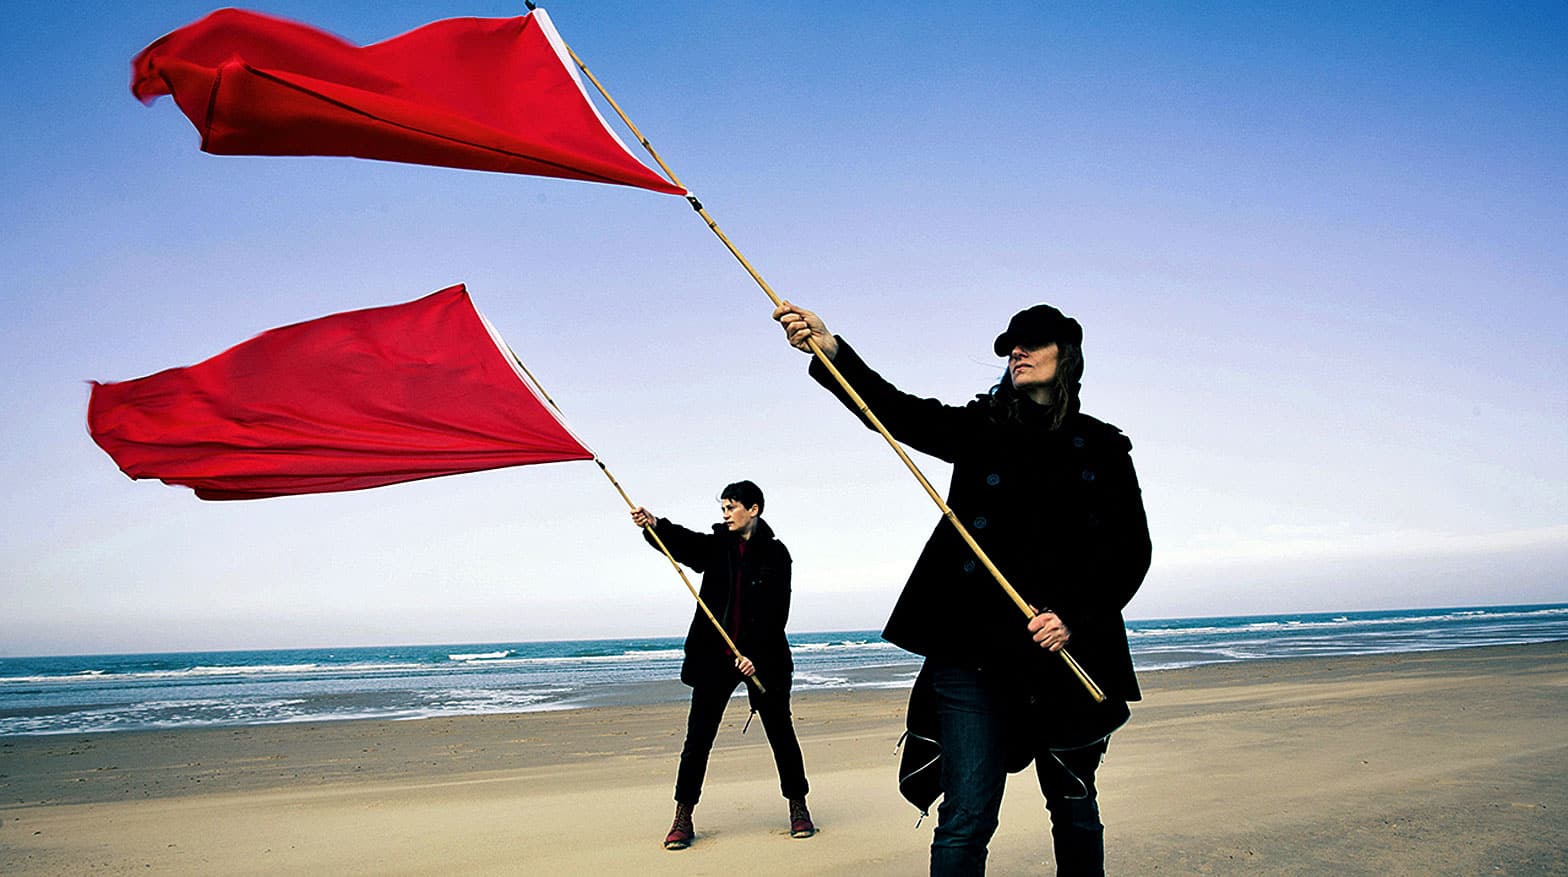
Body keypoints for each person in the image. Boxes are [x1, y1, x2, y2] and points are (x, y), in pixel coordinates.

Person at [773, 302, 1151, 876]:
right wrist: (832, 351)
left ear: (1066, 354)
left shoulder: (1102, 447)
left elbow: (1131, 551)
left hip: (1066, 654)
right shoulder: (981, 429)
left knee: (1073, 807)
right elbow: (895, 412)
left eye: (1029, 342)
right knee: (967, 816)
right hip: (973, 656)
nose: (1015, 352)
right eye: (1009, 346)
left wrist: (1074, 614)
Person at [629, 480, 815, 850]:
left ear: (754, 509)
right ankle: (683, 815)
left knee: (781, 735)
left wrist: (755, 658)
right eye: (723, 509)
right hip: (715, 658)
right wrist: (654, 525)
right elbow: (683, 543)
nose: (726, 514)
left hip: (763, 659)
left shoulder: (777, 554)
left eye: (731, 507)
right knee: (697, 739)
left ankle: (798, 806)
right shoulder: (717, 547)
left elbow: (778, 611)